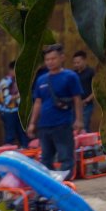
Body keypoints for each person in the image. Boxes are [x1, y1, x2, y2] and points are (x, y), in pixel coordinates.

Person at [27, 43, 84, 171]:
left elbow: (77, 98)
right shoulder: (41, 80)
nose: (50, 62)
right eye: (47, 60)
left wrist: (79, 120)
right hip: (44, 125)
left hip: (62, 124)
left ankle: (64, 187)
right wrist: (32, 123)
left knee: (65, 157)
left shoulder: (70, 77)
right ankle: (49, 188)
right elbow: (37, 102)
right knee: (46, 159)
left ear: (62, 58)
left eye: (53, 59)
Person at [0, 61, 26, 147]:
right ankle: (8, 154)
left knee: (22, 134)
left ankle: (26, 153)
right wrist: (18, 95)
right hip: (8, 112)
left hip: (18, 111)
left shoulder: (19, 81)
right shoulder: (5, 82)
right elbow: (5, 100)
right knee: (10, 135)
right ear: (11, 70)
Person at [72, 49, 95, 133]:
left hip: (87, 105)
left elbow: (96, 89)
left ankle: (88, 145)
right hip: (75, 105)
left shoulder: (91, 72)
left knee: (84, 126)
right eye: (74, 63)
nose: (76, 65)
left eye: (78, 62)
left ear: (84, 60)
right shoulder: (73, 74)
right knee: (75, 128)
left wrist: (87, 99)